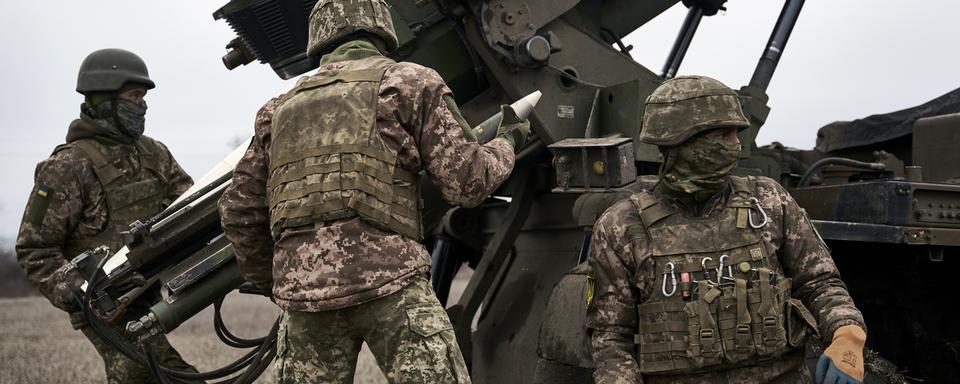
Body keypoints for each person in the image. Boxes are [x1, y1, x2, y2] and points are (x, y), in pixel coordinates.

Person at [217, 0, 530, 382]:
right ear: (382, 28)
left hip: (306, 301)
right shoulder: (410, 83)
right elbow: (468, 184)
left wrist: (281, 280)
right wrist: (508, 142)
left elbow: (238, 211)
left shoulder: (277, 109)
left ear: (318, 40)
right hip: (392, 286)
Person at [587, 75, 867, 384]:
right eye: (724, 133)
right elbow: (611, 337)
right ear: (681, 139)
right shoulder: (621, 227)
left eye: (737, 133)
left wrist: (846, 335)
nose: (736, 145)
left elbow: (820, 284)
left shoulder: (769, 202)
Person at [15, 49, 198, 383]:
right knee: (159, 376)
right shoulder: (68, 167)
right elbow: (34, 250)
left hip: (152, 293)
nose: (142, 104)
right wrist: (82, 296)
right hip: (105, 310)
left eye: (143, 97)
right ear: (103, 99)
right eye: (133, 96)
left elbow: (189, 207)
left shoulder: (154, 154)